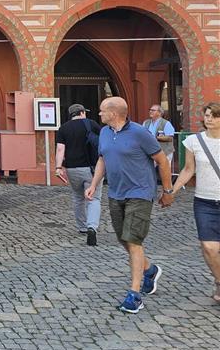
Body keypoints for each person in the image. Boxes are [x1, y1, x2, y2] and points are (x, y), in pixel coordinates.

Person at [85, 96, 173, 313]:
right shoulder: (105, 132)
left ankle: (134, 295)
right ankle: (150, 270)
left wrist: (167, 190)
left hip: (140, 193)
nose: (99, 114)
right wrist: (94, 184)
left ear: (114, 113)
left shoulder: (140, 133)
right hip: (116, 193)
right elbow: (102, 159)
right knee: (124, 239)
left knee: (133, 241)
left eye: (102, 111)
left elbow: (161, 160)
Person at [163, 102, 220, 303]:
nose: (209, 119)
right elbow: (188, 170)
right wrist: (172, 191)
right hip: (205, 202)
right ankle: (219, 281)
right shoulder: (194, 142)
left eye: (214, 115)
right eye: (207, 115)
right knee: (209, 247)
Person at [55, 103, 103, 245]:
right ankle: (92, 227)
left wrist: (58, 167)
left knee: (78, 197)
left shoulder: (63, 128)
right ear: (82, 112)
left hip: (72, 168)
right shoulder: (92, 124)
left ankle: (82, 227)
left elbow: (60, 149)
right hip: (91, 168)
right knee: (94, 198)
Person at [143, 104, 175, 171]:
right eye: (150, 110)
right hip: (150, 152)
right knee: (149, 171)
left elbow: (170, 138)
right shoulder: (146, 123)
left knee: (165, 172)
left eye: (153, 110)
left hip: (165, 152)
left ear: (160, 113)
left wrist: (156, 138)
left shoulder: (166, 123)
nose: (150, 111)